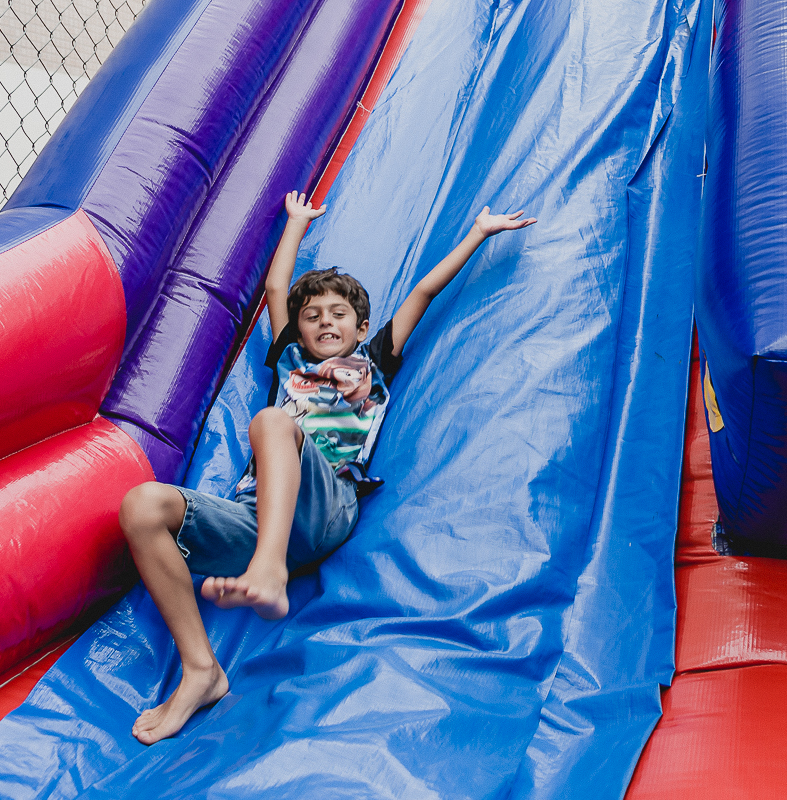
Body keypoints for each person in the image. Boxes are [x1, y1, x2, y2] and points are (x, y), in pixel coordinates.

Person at [118, 190, 535, 745]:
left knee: (273, 422)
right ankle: (201, 669)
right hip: (256, 515)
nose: (325, 322)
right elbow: (276, 289)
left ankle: (269, 571)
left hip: (325, 505)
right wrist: (295, 222)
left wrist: (478, 232)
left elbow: (423, 292)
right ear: (299, 332)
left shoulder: (374, 359)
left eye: (339, 314)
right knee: (141, 505)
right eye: (312, 317)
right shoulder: (288, 362)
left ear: (361, 328)